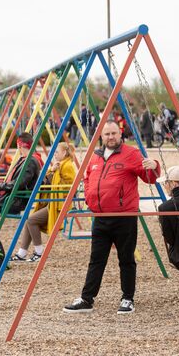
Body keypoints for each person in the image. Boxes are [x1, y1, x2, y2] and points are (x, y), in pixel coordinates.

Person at [63, 120, 160, 314]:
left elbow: (148, 177)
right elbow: (88, 178)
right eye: (107, 134)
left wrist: (154, 166)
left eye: (114, 133)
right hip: (100, 216)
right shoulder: (96, 157)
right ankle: (87, 298)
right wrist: (90, 198)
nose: (111, 137)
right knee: (96, 259)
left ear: (120, 134)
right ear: (101, 136)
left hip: (124, 216)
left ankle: (127, 298)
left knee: (126, 258)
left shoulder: (131, 154)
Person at [11, 142, 76, 262]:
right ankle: (22, 253)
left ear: (64, 153)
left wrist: (54, 172)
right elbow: (49, 180)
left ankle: (39, 252)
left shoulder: (67, 166)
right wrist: (52, 170)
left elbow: (68, 186)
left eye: (56, 152)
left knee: (31, 220)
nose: (54, 155)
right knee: (29, 220)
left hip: (60, 204)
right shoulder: (60, 165)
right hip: (53, 201)